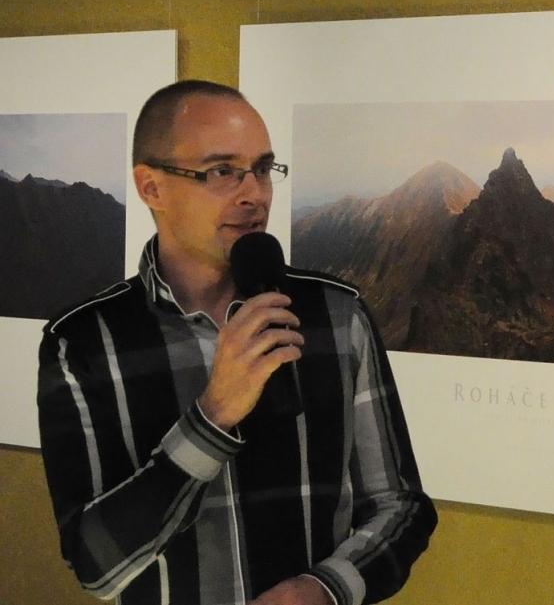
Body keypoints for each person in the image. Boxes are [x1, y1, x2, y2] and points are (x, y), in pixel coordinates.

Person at [37, 79, 437, 605]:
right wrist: (213, 417)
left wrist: (325, 588)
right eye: (222, 171)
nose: (255, 194)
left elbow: (401, 507)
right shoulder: (83, 343)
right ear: (151, 187)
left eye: (263, 168)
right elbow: (95, 567)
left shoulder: (338, 317)